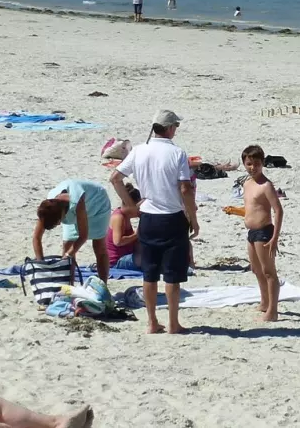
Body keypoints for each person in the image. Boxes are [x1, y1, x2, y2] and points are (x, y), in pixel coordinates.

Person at [109, 110, 198, 334]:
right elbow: (185, 188)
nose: (176, 129)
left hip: (148, 217)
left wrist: (128, 204)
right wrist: (193, 217)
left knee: (149, 274)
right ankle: (173, 323)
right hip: (172, 217)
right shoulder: (177, 153)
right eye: (175, 125)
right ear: (169, 128)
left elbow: (115, 178)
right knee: (172, 275)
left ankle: (151, 322)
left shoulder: (139, 150)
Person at [33, 178, 112, 288]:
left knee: (99, 246)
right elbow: (36, 237)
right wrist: (40, 262)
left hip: (97, 204)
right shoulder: (48, 206)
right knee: (67, 245)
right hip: (69, 210)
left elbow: (83, 236)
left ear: (61, 217)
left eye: (57, 223)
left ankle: (103, 286)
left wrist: (67, 256)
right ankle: (68, 286)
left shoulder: (76, 201)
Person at [239, 144, 283, 321]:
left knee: (269, 272)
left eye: (256, 164)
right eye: (249, 164)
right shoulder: (247, 183)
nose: (252, 167)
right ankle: (264, 301)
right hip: (251, 232)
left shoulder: (266, 185)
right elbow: (251, 207)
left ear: (262, 163)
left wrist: (275, 238)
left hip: (264, 232)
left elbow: (278, 211)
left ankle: (273, 310)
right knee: (256, 269)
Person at [106, 186, 139, 267]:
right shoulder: (119, 217)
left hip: (126, 256)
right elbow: (118, 242)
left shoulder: (126, 216)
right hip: (117, 261)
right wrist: (136, 235)